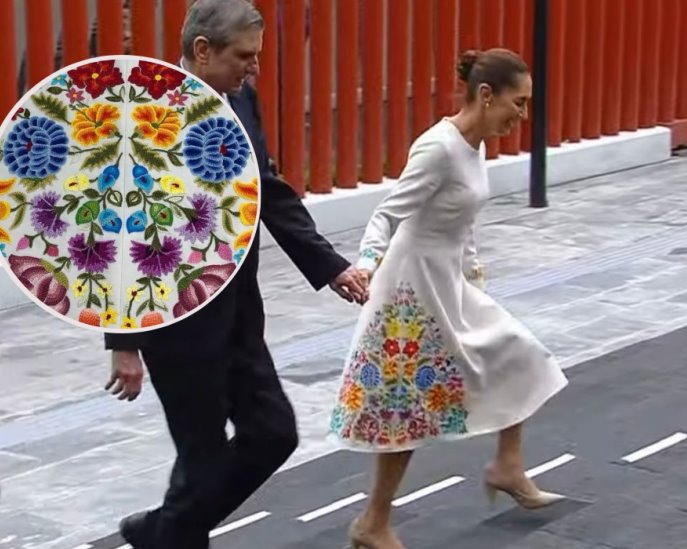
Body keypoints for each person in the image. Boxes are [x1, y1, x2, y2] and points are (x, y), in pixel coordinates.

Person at [103, 1, 367, 547]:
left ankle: (162, 530)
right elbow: (115, 231)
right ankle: (173, 534)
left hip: (239, 309)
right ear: (203, 50)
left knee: (274, 434)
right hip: (174, 320)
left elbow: (266, 189)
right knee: (200, 461)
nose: (255, 69)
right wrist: (123, 342)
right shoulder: (145, 114)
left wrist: (331, 265)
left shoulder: (241, 98)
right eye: (245, 56)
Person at [327, 48, 569, 549]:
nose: (522, 115)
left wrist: (474, 280)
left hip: (450, 283)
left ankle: (507, 465)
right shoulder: (438, 147)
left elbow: (462, 221)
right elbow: (387, 215)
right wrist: (366, 268)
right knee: (405, 413)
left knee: (519, 352)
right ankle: (373, 523)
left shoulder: (474, 146)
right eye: (517, 103)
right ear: (486, 95)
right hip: (408, 293)